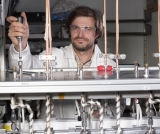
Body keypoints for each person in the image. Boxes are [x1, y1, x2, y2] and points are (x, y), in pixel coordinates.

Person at [7, 6, 125, 118]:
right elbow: (24, 73)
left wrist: (100, 113)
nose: (80, 34)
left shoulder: (109, 65)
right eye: (75, 28)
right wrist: (20, 46)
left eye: (87, 29)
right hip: (53, 128)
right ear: (69, 30)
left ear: (97, 33)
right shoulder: (54, 56)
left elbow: (118, 105)